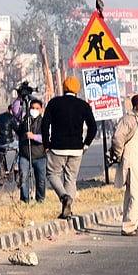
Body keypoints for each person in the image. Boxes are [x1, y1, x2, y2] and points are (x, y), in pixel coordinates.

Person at [42, 76, 97, 219]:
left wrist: (46, 144)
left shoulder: (54, 103)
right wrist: (86, 144)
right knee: (71, 179)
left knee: (52, 174)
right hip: (76, 149)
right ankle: (69, 210)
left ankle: (64, 197)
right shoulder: (83, 105)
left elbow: (45, 124)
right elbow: (93, 127)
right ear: (77, 90)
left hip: (57, 147)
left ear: (63, 87)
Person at [109, 94, 138, 237]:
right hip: (133, 164)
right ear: (135, 106)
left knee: (133, 195)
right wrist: (117, 154)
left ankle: (128, 225)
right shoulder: (130, 119)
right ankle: (129, 227)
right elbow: (117, 138)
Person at [15, 99, 47, 203]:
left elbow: (47, 137)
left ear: (41, 110)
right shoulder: (25, 119)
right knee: (23, 177)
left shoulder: (44, 121)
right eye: (32, 108)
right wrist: (20, 97)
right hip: (25, 154)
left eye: (37, 108)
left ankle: (40, 199)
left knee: (41, 180)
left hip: (40, 155)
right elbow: (15, 110)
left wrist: (34, 137)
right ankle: (25, 199)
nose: (34, 110)